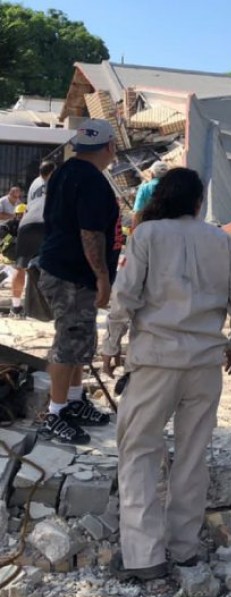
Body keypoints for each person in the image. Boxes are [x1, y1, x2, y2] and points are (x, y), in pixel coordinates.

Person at [100, 167, 231, 581]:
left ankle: (144, 555)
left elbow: (125, 295)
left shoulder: (146, 236)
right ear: (197, 203)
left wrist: (111, 345)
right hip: (204, 364)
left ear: (161, 197)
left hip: (155, 362)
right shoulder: (221, 241)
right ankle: (184, 549)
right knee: (191, 455)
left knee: (139, 454)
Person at [37, 119, 122, 445]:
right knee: (68, 342)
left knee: (79, 340)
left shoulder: (64, 171)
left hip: (65, 269)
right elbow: (90, 233)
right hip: (72, 273)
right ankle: (54, 413)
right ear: (110, 146)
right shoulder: (91, 181)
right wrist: (102, 276)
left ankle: (73, 400)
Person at [12, 161, 57, 317]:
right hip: (46, 223)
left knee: (20, 267)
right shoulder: (57, 182)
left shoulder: (34, 183)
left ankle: (16, 307)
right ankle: (49, 307)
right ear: (53, 171)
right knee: (53, 266)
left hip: (27, 224)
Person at [131, 160, 168, 229]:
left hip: (153, 227)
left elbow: (137, 213)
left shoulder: (144, 188)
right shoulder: (173, 186)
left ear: (152, 174)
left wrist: (134, 232)